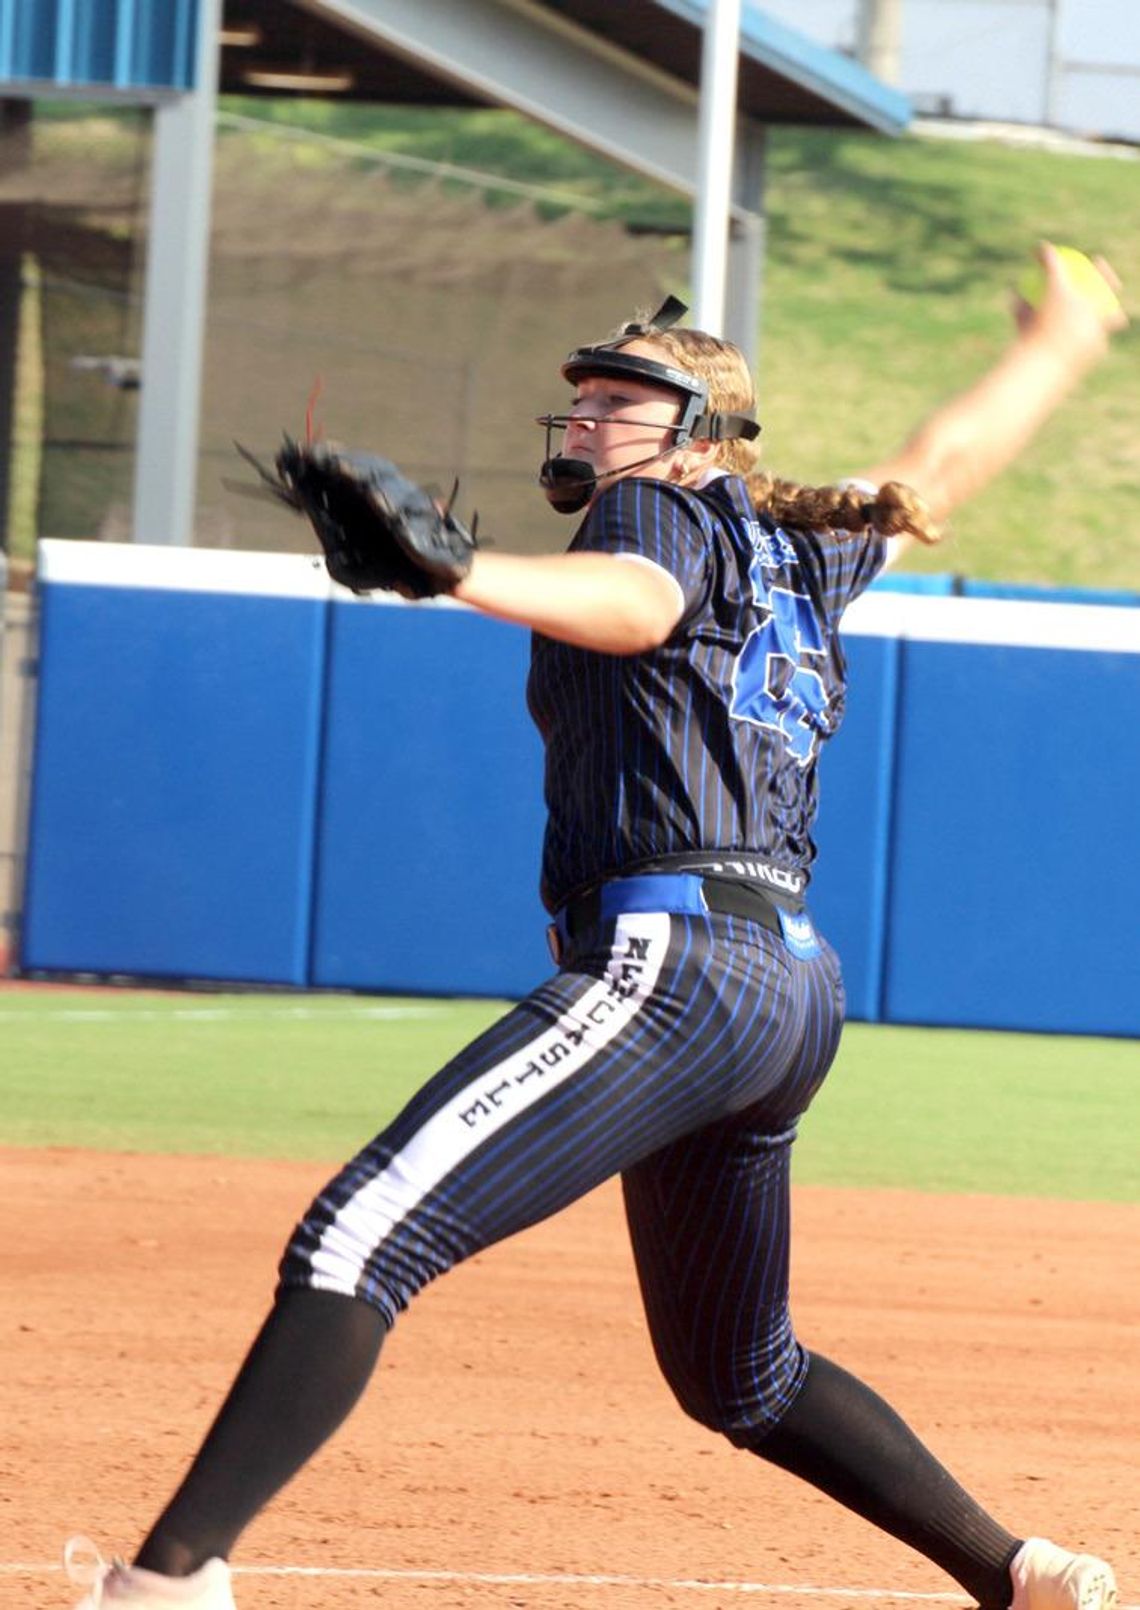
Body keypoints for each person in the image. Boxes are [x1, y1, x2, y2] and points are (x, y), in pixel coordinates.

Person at [68, 242, 1125, 1610]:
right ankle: (1022, 1571)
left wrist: (459, 570)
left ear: (698, 437)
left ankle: (166, 1581)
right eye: (579, 399)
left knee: (357, 1241)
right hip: (786, 992)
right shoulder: (802, 545)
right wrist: (1064, 340)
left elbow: (637, 609)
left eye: (615, 402)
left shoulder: (658, 514)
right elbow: (947, 462)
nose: (584, 420)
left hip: (677, 967)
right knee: (742, 1373)